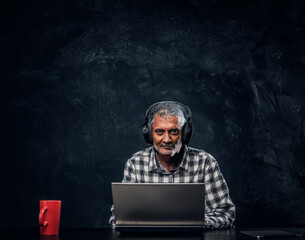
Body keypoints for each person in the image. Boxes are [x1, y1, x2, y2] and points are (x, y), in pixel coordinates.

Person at [109, 101, 235, 230]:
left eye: (174, 132)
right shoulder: (135, 164)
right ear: (149, 134)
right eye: (159, 132)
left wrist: (193, 224)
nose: (167, 139)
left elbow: (225, 213)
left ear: (186, 133)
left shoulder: (205, 163)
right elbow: (117, 217)